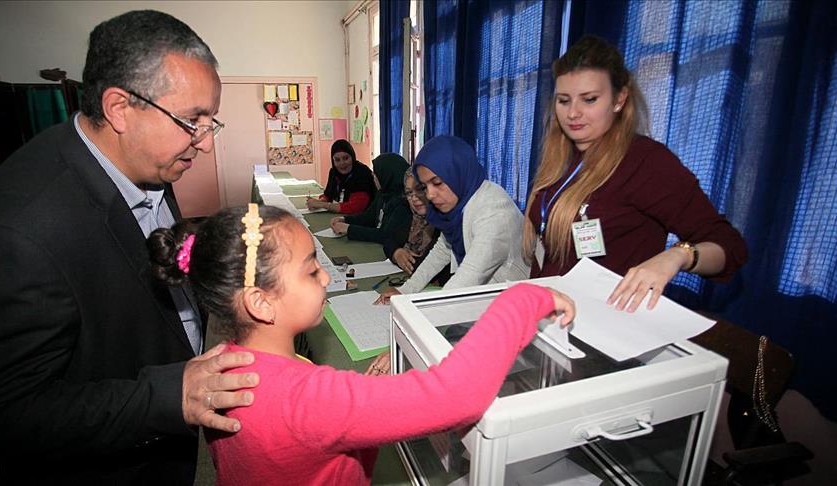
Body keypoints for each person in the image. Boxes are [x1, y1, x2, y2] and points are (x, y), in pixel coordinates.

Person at [0, 10, 257, 484]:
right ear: (120, 108)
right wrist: (168, 396)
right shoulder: (19, 230)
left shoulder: (146, 164)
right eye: (192, 120)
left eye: (211, 121)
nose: (205, 143)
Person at [148, 203, 575, 485]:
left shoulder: (217, 368)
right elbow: (456, 395)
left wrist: (366, 393)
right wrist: (523, 298)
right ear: (260, 301)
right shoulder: (312, 400)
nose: (326, 277)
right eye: (311, 270)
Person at [522, 35, 748, 312]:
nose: (573, 113)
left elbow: (729, 246)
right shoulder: (560, 157)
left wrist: (678, 255)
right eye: (564, 101)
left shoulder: (646, 161)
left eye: (589, 99)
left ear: (619, 99)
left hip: (605, 321)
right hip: (549, 313)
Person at [375, 135, 531, 304]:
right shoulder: (461, 204)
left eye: (437, 183)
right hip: (487, 299)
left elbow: (469, 276)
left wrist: (422, 310)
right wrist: (405, 290)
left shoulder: (495, 213)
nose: (430, 195)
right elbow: (443, 249)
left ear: (457, 173)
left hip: (517, 304)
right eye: (425, 187)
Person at [382, 169, 450, 282]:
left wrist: (406, 257)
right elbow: (388, 240)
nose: (414, 198)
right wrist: (396, 253)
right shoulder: (408, 214)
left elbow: (426, 267)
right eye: (409, 193)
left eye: (420, 189)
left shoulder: (445, 220)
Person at [330, 152, 413, 243]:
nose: (373, 177)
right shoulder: (382, 194)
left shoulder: (403, 202)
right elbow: (368, 217)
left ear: (387, 175)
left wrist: (349, 229)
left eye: (376, 174)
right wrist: (345, 219)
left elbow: (386, 235)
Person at [306, 139, 376, 214]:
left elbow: (356, 207)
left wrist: (323, 205)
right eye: (337, 160)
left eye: (346, 158)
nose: (342, 163)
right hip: (342, 215)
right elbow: (328, 194)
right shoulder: (334, 172)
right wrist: (319, 201)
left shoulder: (362, 172)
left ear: (352, 157)